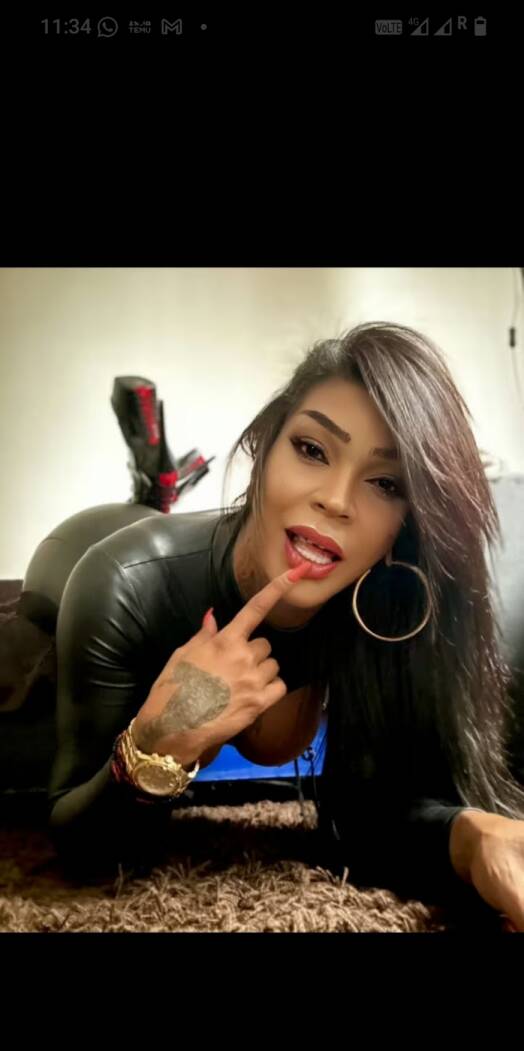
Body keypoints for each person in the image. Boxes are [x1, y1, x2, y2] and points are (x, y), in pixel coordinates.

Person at [43, 325, 524, 929]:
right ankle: (151, 490)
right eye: (312, 449)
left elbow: (375, 816)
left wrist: (472, 835)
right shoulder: (124, 585)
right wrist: (158, 744)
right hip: (69, 562)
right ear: (263, 446)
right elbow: (79, 847)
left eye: (385, 483)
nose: (336, 501)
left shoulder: (394, 602)